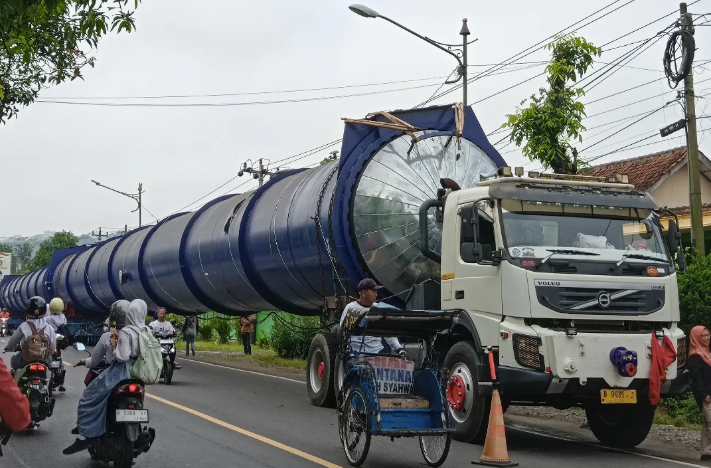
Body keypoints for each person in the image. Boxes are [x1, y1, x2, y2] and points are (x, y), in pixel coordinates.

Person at [63, 299, 147, 455]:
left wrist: (84, 361)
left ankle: (85, 435)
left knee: (88, 399)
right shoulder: (141, 332)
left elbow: (101, 360)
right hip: (137, 374)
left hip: (117, 372)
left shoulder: (111, 335)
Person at [339, 278, 405, 356]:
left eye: (376, 291)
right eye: (373, 291)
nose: (376, 294)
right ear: (363, 293)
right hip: (355, 353)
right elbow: (342, 332)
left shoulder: (379, 309)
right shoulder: (350, 308)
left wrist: (398, 348)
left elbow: (388, 333)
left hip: (377, 353)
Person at [4, 296, 56, 382]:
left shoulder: (24, 326)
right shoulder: (49, 328)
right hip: (44, 360)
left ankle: (15, 386)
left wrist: (9, 348)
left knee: (13, 361)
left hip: (25, 360)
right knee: (51, 364)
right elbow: (52, 348)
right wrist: (48, 353)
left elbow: (13, 341)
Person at [688, 325, 711, 461]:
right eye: (703, 335)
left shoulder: (707, 353)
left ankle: (706, 452)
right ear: (696, 337)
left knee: (707, 424)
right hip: (706, 396)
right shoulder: (695, 356)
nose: (707, 338)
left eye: (708, 335)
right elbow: (696, 379)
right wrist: (704, 395)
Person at [0, 357, 31, 432]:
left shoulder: (22, 344)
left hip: (26, 361)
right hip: (45, 362)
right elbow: (7, 392)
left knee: (15, 361)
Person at [45, 297, 69, 392]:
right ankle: (61, 384)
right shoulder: (63, 318)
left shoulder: (47, 318)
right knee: (60, 361)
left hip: (50, 343)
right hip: (59, 343)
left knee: (47, 359)